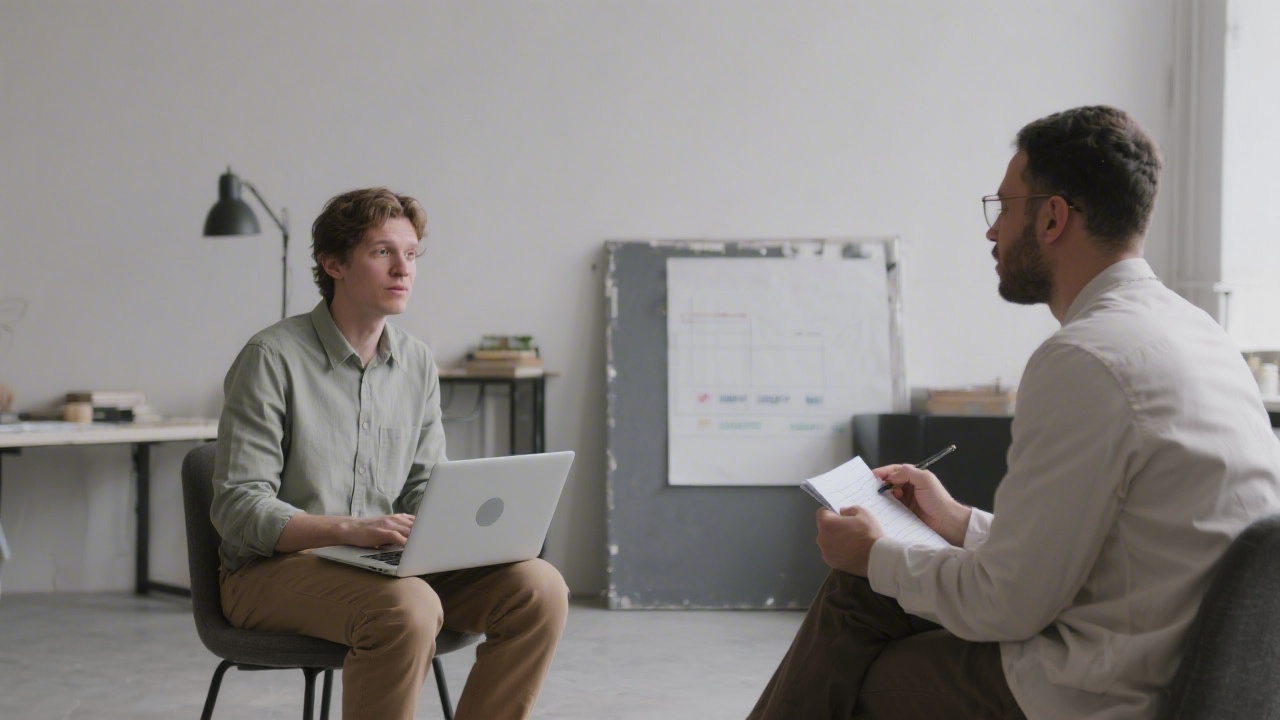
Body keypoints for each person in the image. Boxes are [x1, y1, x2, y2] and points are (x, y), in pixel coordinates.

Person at [748, 106, 1280, 720]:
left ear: (1052, 217)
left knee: (860, 652)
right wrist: (957, 522)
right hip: (1176, 661)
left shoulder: (1085, 359)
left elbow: (1007, 604)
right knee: (863, 596)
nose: (992, 232)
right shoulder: (1195, 334)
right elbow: (1099, 547)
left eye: (1002, 207)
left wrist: (873, 554)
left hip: (1101, 690)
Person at [211, 187, 569, 720]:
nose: (404, 268)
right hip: (270, 574)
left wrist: (466, 531)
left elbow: (423, 485)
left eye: (411, 253)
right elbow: (239, 508)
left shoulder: (417, 362)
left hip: (381, 564)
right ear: (333, 263)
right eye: (382, 252)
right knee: (409, 608)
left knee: (540, 588)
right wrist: (347, 530)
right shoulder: (271, 358)